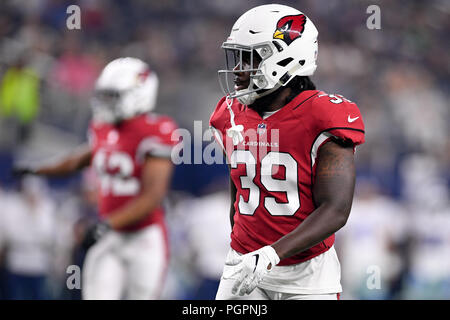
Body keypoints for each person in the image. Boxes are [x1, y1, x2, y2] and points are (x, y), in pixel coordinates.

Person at [210, 4, 365, 300]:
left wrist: (270, 254)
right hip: (244, 263)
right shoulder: (229, 112)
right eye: (238, 58)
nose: (238, 70)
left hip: (306, 278)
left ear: (285, 58)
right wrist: (245, 250)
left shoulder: (324, 115)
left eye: (250, 58)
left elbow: (336, 209)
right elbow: (240, 192)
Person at [13, 57, 178, 300]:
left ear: (138, 94)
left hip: (143, 237)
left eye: (112, 96)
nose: (105, 103)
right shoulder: (103, 127)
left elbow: (153, 196)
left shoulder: (157, 130)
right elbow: (78, 160)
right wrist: (38, 170)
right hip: (109, 233)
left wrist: (107, 224)